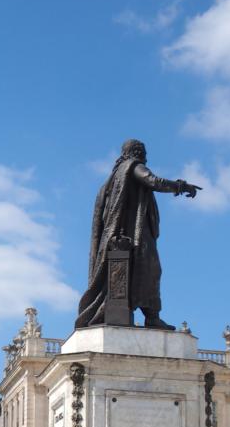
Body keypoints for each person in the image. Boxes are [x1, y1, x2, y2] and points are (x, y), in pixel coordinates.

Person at [75, 138, 200, 331]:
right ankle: (152, 317)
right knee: (150, 269)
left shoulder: (114, 176)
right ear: (136, 152)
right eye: (143, 152)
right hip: (136, 232)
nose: (146, 157)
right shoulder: (133, 166)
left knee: (139, 271)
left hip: (123, 233)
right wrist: (181, 186)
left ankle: (141, 314)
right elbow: (153, 181)